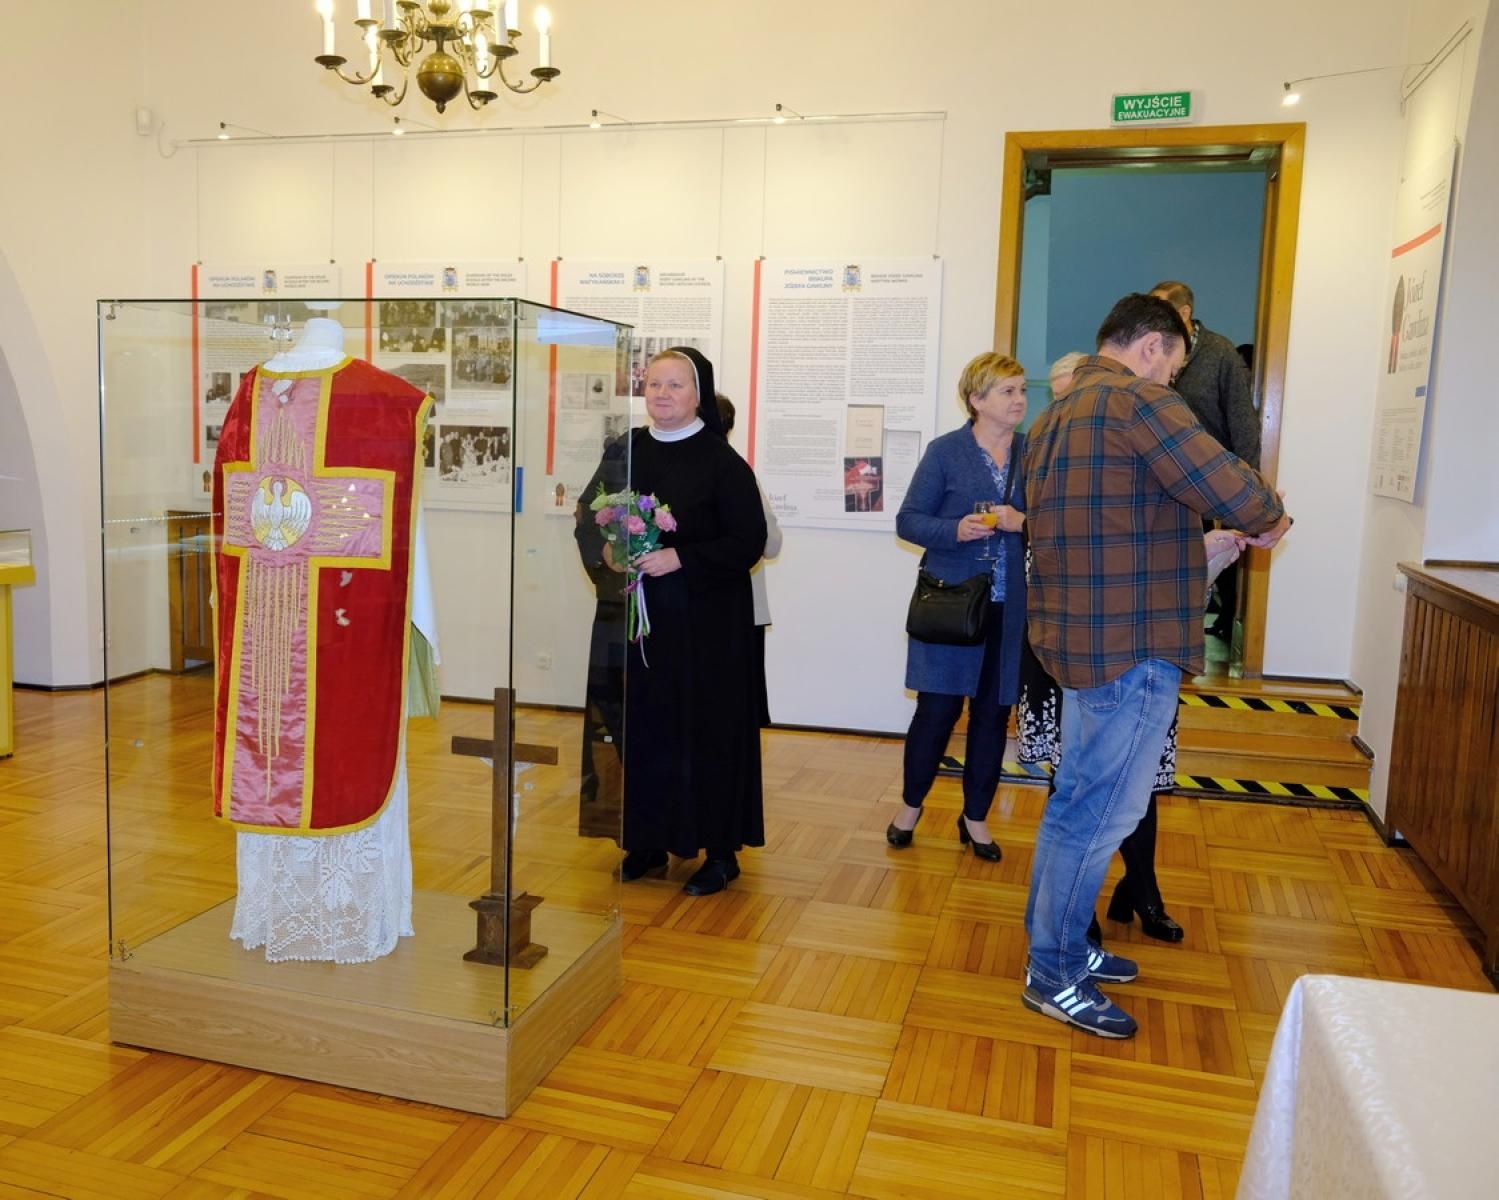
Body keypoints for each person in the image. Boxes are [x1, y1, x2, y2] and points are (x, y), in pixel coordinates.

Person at [1023, 293, 1290, 1038]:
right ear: (1149, 348)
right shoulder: (1139, 403)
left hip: (1077, 644)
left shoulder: (1053, 419)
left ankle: (1059, 944)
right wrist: (1267, 518)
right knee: (1101, 814)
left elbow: (1105, 532)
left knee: (1072, 802)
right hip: (1130, 649)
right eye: (1172, 364)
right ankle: (1052, 974)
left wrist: (1196, 548)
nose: (1171, 378)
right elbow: (1235, 488)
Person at [575, 348, 767, 896]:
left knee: (705, 731)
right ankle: (647, 840)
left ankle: (720, 851)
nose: (661, 394)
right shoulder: (625, 450)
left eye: (674, 385)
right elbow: (588, 516)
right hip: (634, 623)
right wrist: (609, 554)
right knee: (640, 727)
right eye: (653, 384)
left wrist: (681, 557)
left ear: (697, 393)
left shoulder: (722, 462)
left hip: (704, 629)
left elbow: (747, 541)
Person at [890, 352, 1029, 862]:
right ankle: (910, 806)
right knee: (937, 711)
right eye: (1007, 391)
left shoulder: (1033, 453)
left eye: (1021, 391)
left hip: (1010, 609)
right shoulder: (946, 452)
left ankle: (975, 817)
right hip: (951, 606)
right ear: (977, 400)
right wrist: (955, 530)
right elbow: (908, 521)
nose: (1019, 400)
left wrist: (1021, 522)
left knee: (993, 716)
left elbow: (1054, 527)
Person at [1150, 281, 1260, 646]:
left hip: (1208, 483)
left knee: (1204, 575)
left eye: (1161, 309)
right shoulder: (1150, 353)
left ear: (1184, 313)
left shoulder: (1221, 354)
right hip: (1160, 485)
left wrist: (1250, 492)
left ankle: (1185, 645)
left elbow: (1243, 423)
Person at [716, 392, 783, 726]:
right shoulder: (739, 471)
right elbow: (772, 542)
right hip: (734, 612)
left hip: (737, 612)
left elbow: (769, 544)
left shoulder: (734, 472)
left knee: (729, 712)